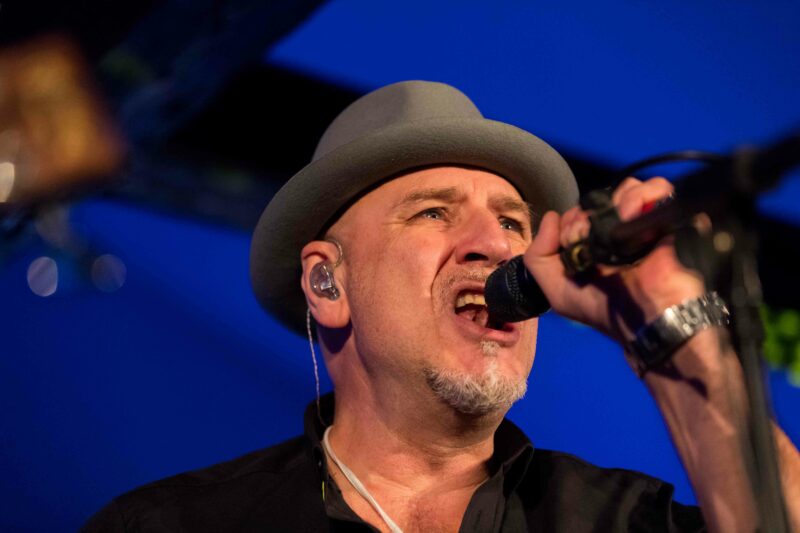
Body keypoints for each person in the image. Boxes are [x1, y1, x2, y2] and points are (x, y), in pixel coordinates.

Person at [83, 81, 800, 532]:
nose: (497, 245)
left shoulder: (621, 520)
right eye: (432, 212)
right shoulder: (173, 524)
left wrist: (673, 326)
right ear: (327, 284)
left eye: (513, 222)